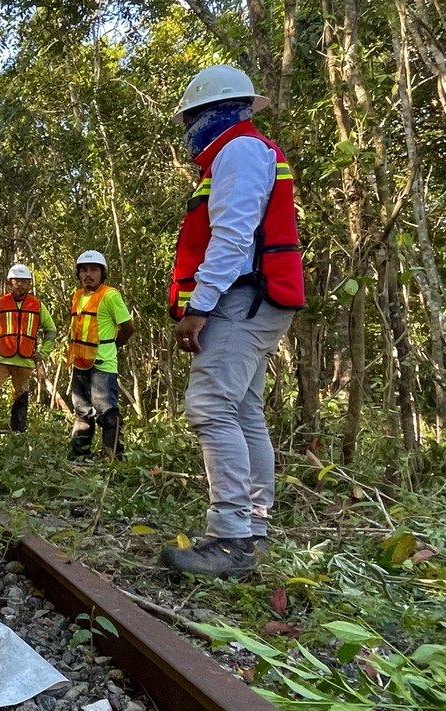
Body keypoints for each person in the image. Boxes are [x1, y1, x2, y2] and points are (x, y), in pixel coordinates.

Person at [158, 65, 305, 579]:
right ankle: (253, 532)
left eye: (191, 119)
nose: (189, 132)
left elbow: (233, 238)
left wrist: (199, 306)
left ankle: (231, 539)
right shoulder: (243, 152)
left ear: (208, 113)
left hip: (242, 299)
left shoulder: (240, 151)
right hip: (257, 299)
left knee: (210, 406)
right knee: (244, 412)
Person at [66, 250, 133, 460]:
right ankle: (79, 456)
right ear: (78, 274)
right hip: (80, 362)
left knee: (106, 411)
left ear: (102, 273)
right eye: (84, 270)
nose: (88, 274)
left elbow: (128, 327)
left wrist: (114, 346)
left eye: (94, 270)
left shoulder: (110, 295)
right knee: (82, 410)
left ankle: (112, 457)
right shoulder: (78, 295)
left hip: (102, 363)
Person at [0, 264, 56, 436]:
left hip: (25, 361)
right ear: (10, 282)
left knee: (21, 399)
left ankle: (17, 437)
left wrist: (43, 352)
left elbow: (51, 330)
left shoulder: (37, 305)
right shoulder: (0, 303)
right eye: (17, 280)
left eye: (24, 281)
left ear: (29, 284)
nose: (20, 284)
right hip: (0, 359)